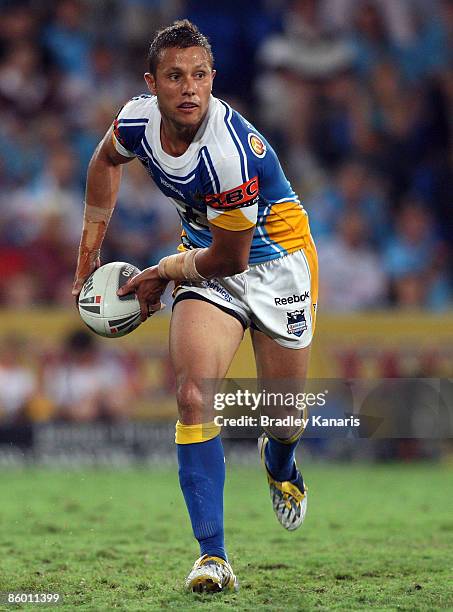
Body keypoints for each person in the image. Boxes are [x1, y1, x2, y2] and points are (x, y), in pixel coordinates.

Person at [72, 20, 318, 593]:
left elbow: (232, 255)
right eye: (176, 76)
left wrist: (160, 271)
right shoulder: (136, 120)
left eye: (200, 75)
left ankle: (280, 464)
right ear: (151, 83)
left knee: (284, 420)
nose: (190, 88)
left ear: (213, 79)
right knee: (191, 395)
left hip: (275, 265)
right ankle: (213, 556)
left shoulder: (229, 152)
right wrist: (87, 258)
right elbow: (104, 164)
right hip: (205, 261)